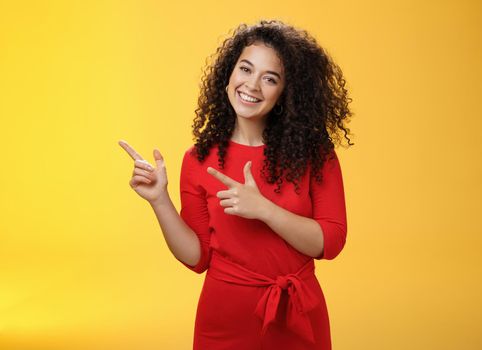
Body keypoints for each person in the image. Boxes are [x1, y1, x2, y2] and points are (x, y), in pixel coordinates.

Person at [119, 19, 353, 350]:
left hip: (297, 316)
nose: (252, 85)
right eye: (245, 70)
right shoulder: (198, 158)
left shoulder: (315, 153)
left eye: (270, 78)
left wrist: (265, 211)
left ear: (287, 92)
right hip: (224, 320)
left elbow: (331, 241)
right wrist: (159, 200)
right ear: (229, 75)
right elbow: (197, 257)